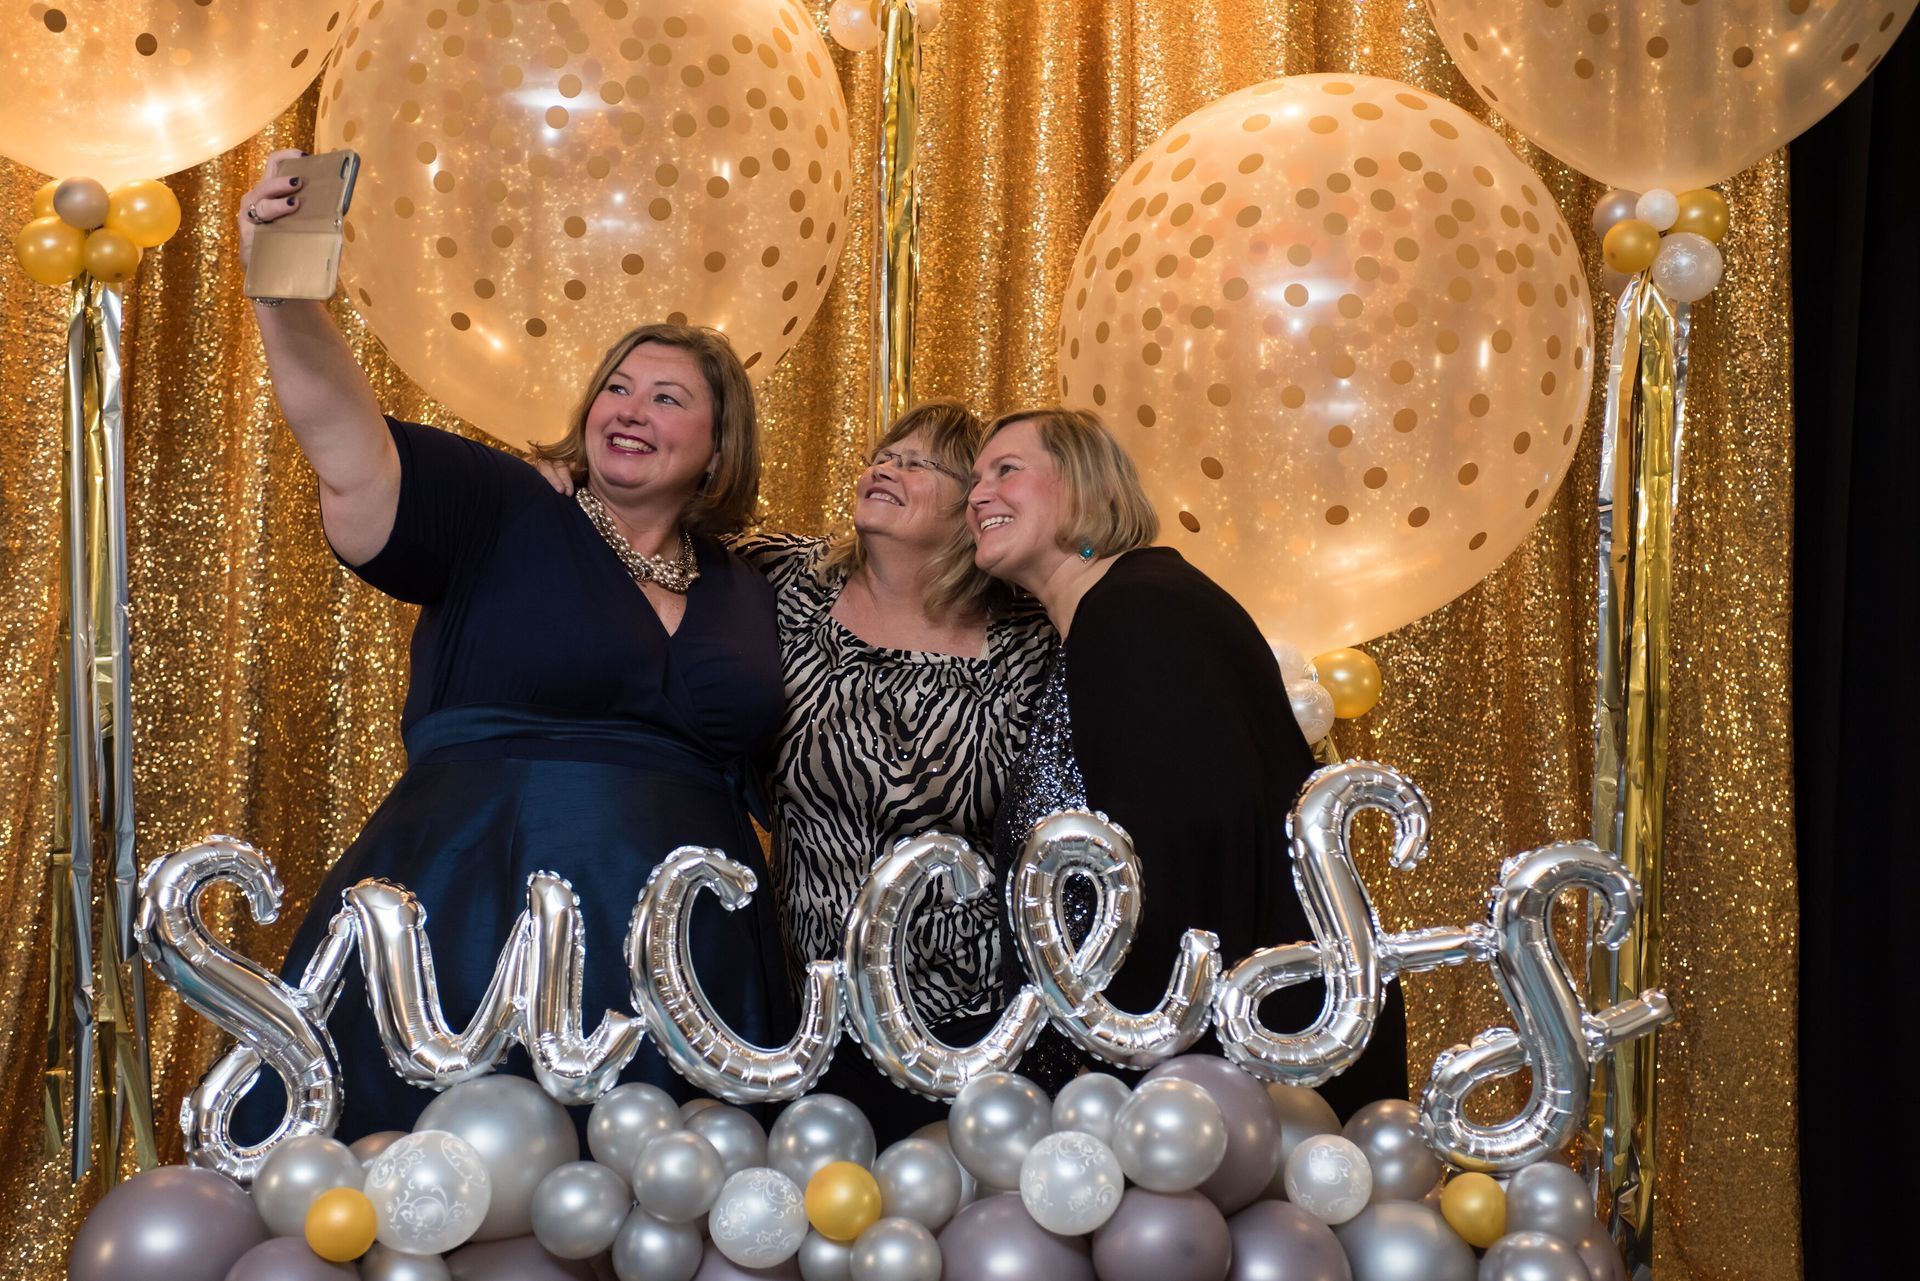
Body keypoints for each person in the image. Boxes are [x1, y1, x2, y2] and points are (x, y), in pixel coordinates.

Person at [232, 152, 791, 1140]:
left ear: (719, 447)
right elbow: (344, 442)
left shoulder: (750, 582)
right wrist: (281, 288)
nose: (630, 409)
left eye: (667, 398)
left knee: (679, 1189)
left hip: (692, 940)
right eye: (616, 388)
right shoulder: (508, 507)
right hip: (479, 903)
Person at [543, 402, 1054, 1140]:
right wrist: (568, 482)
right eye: (884, 455)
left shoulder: (1026, 638)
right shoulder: (779, 577)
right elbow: (645, 537)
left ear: (971, 502)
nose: (885, 468)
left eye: (917, 464)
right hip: (803, 1004)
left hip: (967, 1015)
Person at [968, 407, 1408, 1115]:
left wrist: (1130, 1059)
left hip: (1212, 1083)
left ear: (1085, 485)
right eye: (974, 480)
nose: (978, 494)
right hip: (1206, 1063)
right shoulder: (1127, 608)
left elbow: (1181, 864)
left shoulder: (1136, 614)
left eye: (1006, 470)